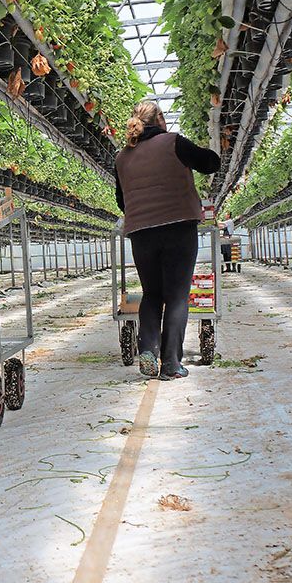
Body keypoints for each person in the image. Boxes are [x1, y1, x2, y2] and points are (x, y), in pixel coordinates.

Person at [115, 102, 220, 380]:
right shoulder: (173, 142)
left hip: (141, 233)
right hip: (178, 228)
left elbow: (120, 200)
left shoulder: (122, 157)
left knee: (151, 294)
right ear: (159, 119)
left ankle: (147, 349)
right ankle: (171, 362)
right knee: (176, 296)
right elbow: (210, 163)